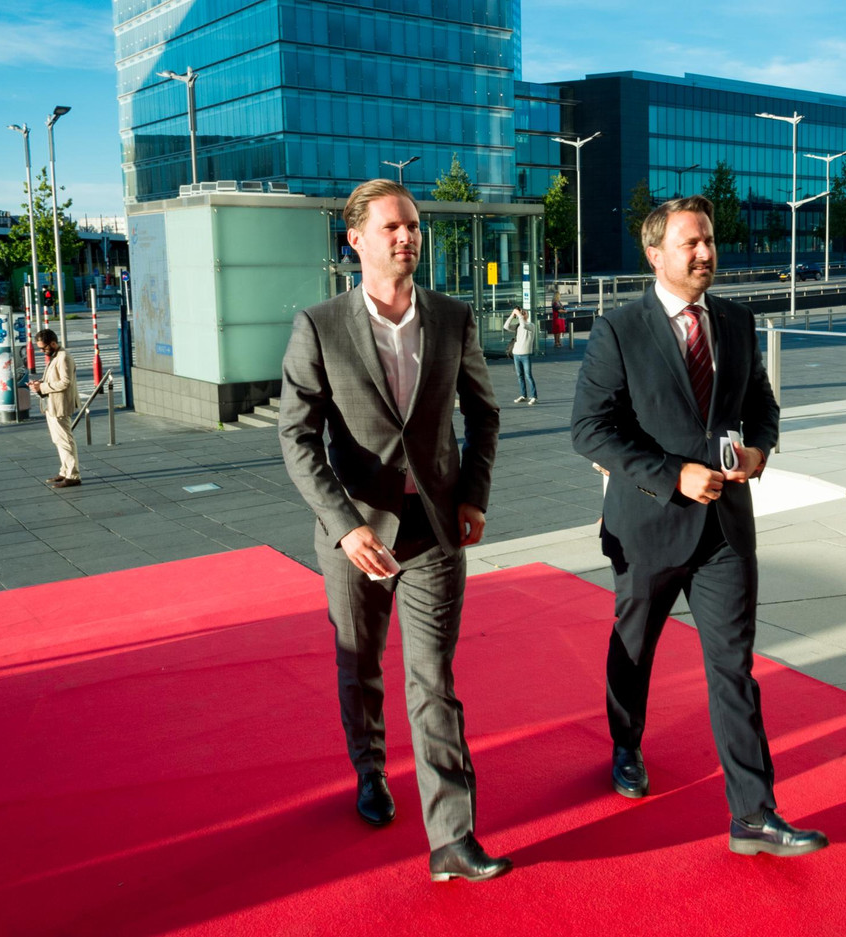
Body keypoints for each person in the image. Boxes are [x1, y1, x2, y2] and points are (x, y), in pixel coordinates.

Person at [571, 194, 828, 859]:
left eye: (710, 241)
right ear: (655, 252)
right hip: (647, 524)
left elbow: (762, 406)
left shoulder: (738, 323)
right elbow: (589, 429)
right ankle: (626, 743)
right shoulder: (619, 330)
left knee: (734, 667)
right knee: (636, 647)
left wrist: (759, 452)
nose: (707, 253)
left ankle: (754, 814)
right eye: (692, 243)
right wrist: (670, 473)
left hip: (725, 532)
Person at [277, 179, 510, 883]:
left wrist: (473, 493)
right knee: (362, 665)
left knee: (433, 679)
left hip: (434, 529)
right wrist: (344, 526)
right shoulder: (318, 326)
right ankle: (370, 769)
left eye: (413, 226)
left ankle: (453, 837)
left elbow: (484, 413)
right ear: (356, 240)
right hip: (356, 534)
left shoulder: (452, 316)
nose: (407, 237)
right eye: (392, 228)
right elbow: (296, 436)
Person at [27, 328, 80, 489]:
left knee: (65, 441)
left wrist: (42, 387)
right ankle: (65, 471)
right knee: (58, 440)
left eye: (44, 348)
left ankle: (72, 475)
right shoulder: (55, 356)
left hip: (60, 405)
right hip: (53, 404)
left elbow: (65, 382)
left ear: (53, 343)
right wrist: (39, 383)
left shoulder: (63, 357)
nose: (42, 351)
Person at [503, 305, 537, 404]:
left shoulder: (531, 326)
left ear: (527, 315)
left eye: (524, 313)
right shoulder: (518, 325)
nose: (522, 314)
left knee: (528, 376)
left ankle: (534, 396)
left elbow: (524, 325)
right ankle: (523, 395)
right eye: (522, 312)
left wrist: (519, 315)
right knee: (520, 376)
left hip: (525, 355)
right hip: (516, 354)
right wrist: (512, 315)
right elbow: (506, 326)